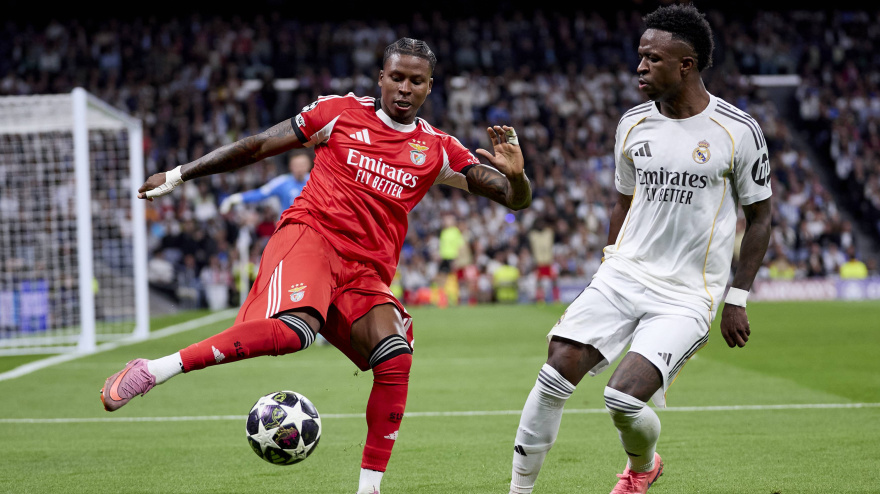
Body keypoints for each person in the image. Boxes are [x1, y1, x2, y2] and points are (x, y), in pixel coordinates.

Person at [99, 38, 531, 494]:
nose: (404, 88)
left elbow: (512, 199)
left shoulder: (437, 149)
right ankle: (155, 368)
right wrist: (179, 174)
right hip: (311, 238)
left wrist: (518, 177)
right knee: (295, 332)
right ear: (381, 78)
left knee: (395, 355)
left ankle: (369, 489)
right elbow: (258, 145)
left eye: (416, 81)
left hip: (365, 273)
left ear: (429, 88)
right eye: (397, 78)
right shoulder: (339, 112)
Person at [507, 5, 772, 494]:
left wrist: (737, 298)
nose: (640, 67)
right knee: (554, 370)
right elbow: (621, 201)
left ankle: (643, 468)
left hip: (687, 294)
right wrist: (609, 265)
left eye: (652, 58)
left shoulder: (738, 131)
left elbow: (760, 217)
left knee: (623, 399)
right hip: (623, 275)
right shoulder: (632, 124)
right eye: (640, 56)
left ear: (686, 64)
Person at [218, 150, 312, 215]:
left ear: (308, 165)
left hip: (311, 230)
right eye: (296, 165)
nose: (300, 168)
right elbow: (260, 194)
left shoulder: (315, 182)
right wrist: (234, 198)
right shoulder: (282, 182)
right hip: (288, 230)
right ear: (290, 166)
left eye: (302, 165)